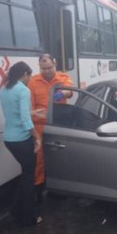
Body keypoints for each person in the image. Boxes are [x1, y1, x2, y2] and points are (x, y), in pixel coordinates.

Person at [0, 61, 41, 226]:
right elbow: (25, 120)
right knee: (29, 178)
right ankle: (28, 217)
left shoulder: (5, 89)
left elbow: (14, 112)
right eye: (29, 75)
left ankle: (15, 209)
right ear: (24, 74)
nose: (30, 79)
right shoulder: (23, 90)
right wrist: (37, 138)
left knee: (25, 174)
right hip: (22, 139)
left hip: (9, 139)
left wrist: (32, 111)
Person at [28, 53, 73, 202]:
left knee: (60, 157)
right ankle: (38, 191)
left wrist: (61, 93)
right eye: (43, 68)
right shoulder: (33, 82)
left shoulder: (63, 78)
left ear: (55, 64)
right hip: (40, 125)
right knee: (39, 161)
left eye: (49, 67)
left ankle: (59, 189)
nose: (46, 71)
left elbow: (70, 91)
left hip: (58, 124)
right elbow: (31, 107)